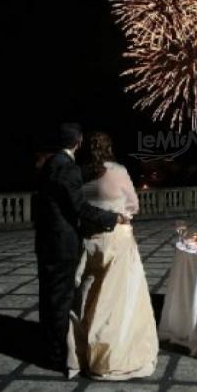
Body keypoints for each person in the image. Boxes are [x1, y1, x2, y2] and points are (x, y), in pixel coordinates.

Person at [34, 122, 129, 372]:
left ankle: (48, 346)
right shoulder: (68, 168)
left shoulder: (48, 164)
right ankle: (56, 356)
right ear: (78, 142)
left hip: (46, 241)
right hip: (60, 244)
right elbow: (80, 208)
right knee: (60, 299)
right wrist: (113, 218)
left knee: (48, 297)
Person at [66, 131, 158, 380]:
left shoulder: (82, 173)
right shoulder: (117, 171)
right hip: (117, 238)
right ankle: (112, 354)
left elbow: (78, 206)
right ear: (109, 149)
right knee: (119, 298)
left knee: (90, 292)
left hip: (90, 240)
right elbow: (134, 205)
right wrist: (119, 210)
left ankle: (85, 352)